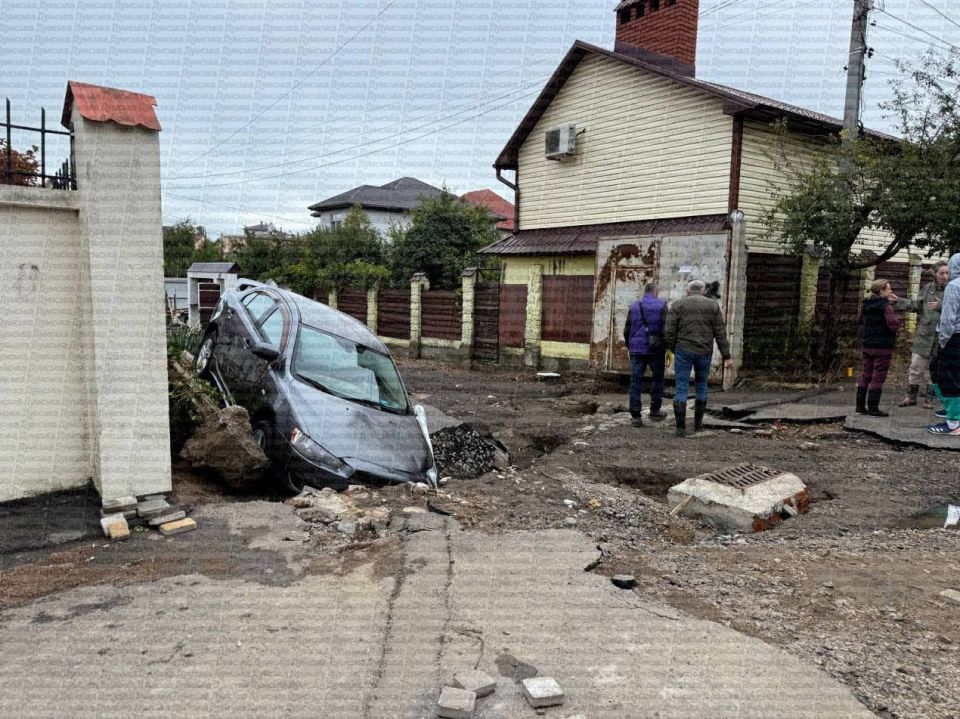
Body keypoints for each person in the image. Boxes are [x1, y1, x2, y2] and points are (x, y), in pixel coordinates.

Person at [664, 280, 733, 437]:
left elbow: (669, 331)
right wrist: (726, 356)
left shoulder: (678, 305)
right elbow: (720, 333)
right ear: (702, 291)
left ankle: (680, 428)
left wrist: (672, 348)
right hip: (704, 352)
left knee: (681, 386)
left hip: (683, 351)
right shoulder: (713, 306)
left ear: (688, 290)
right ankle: (698, 425)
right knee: (702, 386)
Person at [896, 261, 949, 407]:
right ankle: (911, 397)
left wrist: (941, 306)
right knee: (915, 367)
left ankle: (929, 399)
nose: (945, 276)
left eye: (947, 273)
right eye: (941, 273)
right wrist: (898, 301)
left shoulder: (954, 290)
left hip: (942, 338)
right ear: (935, 274)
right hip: (924, 336)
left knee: (935, 371)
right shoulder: (927, 289)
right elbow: (916, 306)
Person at [623, 283, 668, 427]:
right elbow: (666, 329)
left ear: (644, 292)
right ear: (656, 291)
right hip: (656, 349)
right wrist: (668, 347)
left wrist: (629, 346)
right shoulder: (662, 305)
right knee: (658, 379)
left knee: (636, 381)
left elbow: (627, 329)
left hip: (637, 350)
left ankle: (636, 416)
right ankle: (655, 410)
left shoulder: (634, 306)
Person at [856, 279, 901, 417]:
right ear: (881, 290)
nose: (891, 291)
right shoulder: (886, 307)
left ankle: (860, 406)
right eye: (888, 289)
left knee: (866, 375)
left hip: (868, 344)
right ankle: (873, 408)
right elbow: (893, 325)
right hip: (883, 346)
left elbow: (860, 321)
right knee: (878, 377)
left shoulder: (866, 305)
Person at [928, 253, 960, 435]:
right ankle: (953, 411)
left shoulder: (954, 287)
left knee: (948, 378)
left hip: (953, 338)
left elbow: (949, 318)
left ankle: (954, 424)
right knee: (939, 370)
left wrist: (943, 340)